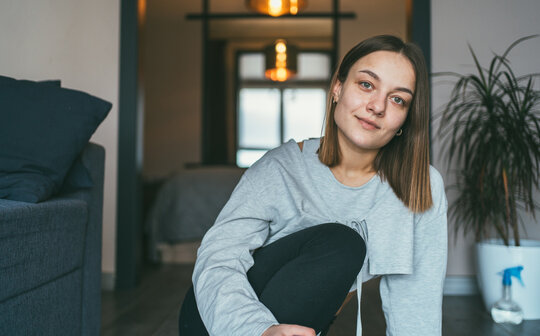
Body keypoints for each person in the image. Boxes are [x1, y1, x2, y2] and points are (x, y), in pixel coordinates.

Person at [178, 35, 448, 336]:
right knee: (343, 242)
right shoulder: (279, 168)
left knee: (343, 245)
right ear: (337, 88)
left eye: (398, 99)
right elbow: (218, 259)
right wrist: (258, 329)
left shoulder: (419, 185)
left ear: (405, 120)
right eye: (366, 85)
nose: (377, 106)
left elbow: (416, 300)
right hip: (220, 320)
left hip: (302, 324)